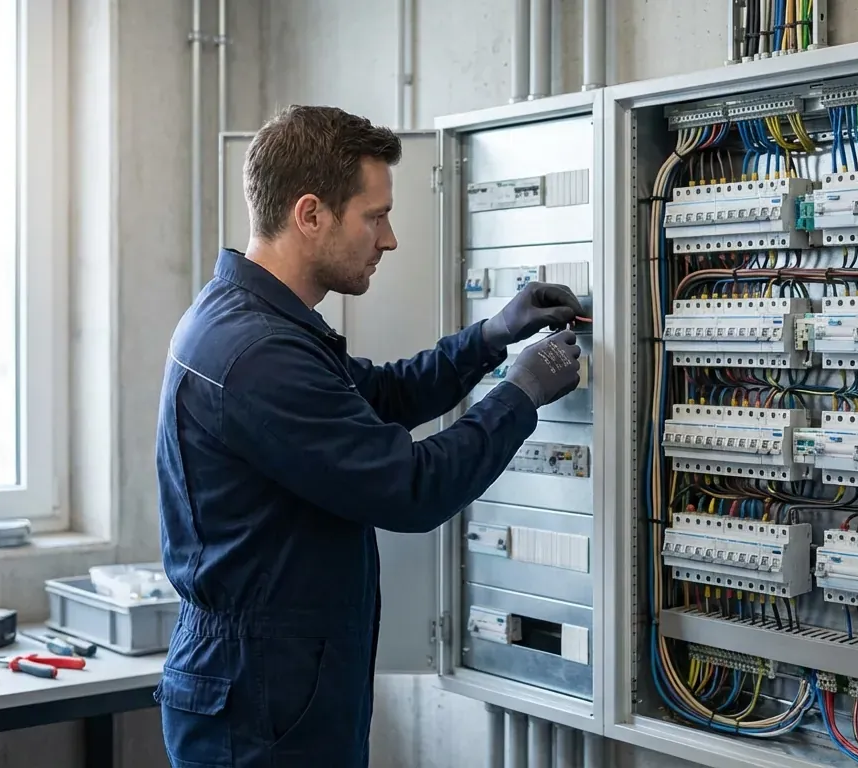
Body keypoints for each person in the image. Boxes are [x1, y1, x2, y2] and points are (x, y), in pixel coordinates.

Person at [153, 105, 585, 767]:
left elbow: (377, 397)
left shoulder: (257, 322)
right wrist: (519, 393)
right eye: (375, 215)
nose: (389, 240)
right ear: (310, 214)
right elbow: (411, 489)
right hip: (260, 699)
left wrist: (488, 338)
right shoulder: (257, 352)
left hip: (274, 680)